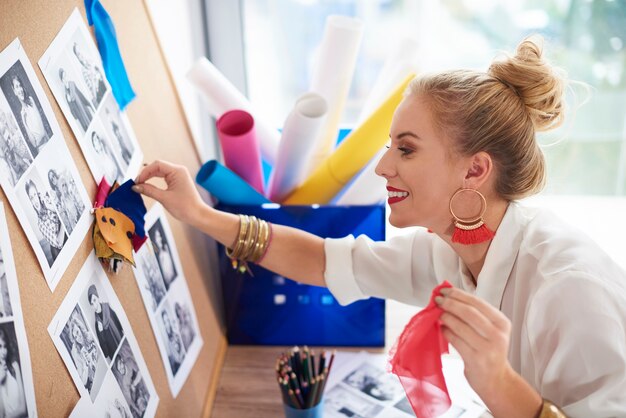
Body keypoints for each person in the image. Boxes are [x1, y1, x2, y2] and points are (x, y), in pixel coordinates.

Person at [132, 37, 626, 417]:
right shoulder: (447, 249)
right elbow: (322, 260)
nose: (382, 166)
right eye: (390, 145)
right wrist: (198, 215)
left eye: (405, 149)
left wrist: (497, 381)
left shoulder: (568, 288)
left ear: (475, 171)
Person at [25, 179, 66, 263]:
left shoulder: (47, 201)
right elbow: (59, 242)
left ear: (38, 194)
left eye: (35, 195)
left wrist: (48, 206)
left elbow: (60, 208)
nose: (35, 200)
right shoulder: (40, 224)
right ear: (30, 201)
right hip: (59, 252)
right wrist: (63, 220)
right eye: (31, 197)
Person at [10, 75, 49, 155]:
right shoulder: (22, 114)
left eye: (20, 85)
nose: (20, 89)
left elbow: (42, 131)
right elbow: (34, 144)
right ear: (14, 92)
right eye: (17, 87)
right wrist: (24, 122)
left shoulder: (31, 101)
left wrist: (40, 139)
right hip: (41, 149)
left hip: (47, 141)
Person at [87, 285, 124, 362]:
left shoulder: (107, 307)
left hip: (123, 346)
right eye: (91, 303)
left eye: (94, 300)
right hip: (115, 358)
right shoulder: (97, 324)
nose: (94, 304)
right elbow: (105, 353)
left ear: (97, 297)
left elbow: (119, 325)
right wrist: (101, 332)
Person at [0, 328, 27, 418]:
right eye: (0, 347)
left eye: (5, 346)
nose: (4, 352)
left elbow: (23, 409)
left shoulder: (14, 366)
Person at [67, 315, 98, 393]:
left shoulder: (90, 336)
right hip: (95, 382)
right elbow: (83, 382)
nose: (78, 337)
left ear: (80, 328)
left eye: (77, 332)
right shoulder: (77, 353)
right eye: (75, 337)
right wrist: (85, 365)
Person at [58, 67, 94, 133]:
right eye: (63, 77)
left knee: (92, 124)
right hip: (80, 115)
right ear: (62, 80)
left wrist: (88, 104)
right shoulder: (66, 93)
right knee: (87, 129)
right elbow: (71, 108)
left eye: (65, 75)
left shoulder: (72, 84)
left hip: (83, 108)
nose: (65, 78)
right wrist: (70, 102)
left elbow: (80, 94)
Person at [113, 352, 148, 418]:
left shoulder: (129, 362)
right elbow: (131, 401)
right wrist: (139, 411)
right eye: (119, 369)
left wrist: (134, 383)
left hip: (144, 386)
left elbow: (140, 371)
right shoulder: (124, 382)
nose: (121, 370)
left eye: (120, 365)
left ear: (122, 360)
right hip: (138, 396)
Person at [48, 169, 82, 235]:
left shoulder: (62, 180)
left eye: (53, 176)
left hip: (74, 205)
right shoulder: (55, 193)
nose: (53, 179)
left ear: (55, 175)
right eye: (51, 179)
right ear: (51, 182)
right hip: (68, 213)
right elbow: (61, 208)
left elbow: (71, 191)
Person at [160, 309, 184, 375]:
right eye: (165, 322)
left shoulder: (175, 332)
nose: (167, 324)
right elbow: (178, 359)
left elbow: (182, 345)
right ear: (164, 324)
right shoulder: (169, 342)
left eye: (168, 320)